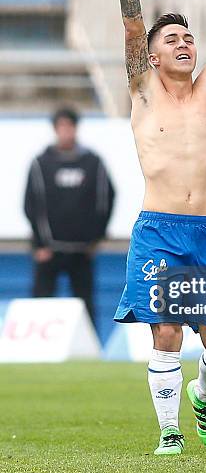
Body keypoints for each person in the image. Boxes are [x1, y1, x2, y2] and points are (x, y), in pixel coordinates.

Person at [97, 0, 206, 457]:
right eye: (172, 40)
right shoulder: (142, 91)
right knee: (166, 331)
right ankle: (170, 432)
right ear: (153, 57)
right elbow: (132, 23)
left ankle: (204, 395)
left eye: (187, 37)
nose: (184, 44)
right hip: (159, 230)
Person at [24, 107, 115, 325]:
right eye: (61, 127)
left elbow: (106, 198)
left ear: (76, 128)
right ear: (55, 129)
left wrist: (96, 238)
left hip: (82, 250)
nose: (66, 132)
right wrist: (39, 244)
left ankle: (91, 351)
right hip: (49, 249)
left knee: (86, 303)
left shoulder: (93, 163)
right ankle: (38, 347)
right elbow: (30, 205)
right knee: (41, 302)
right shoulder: (41, 163)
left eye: (69, 127)